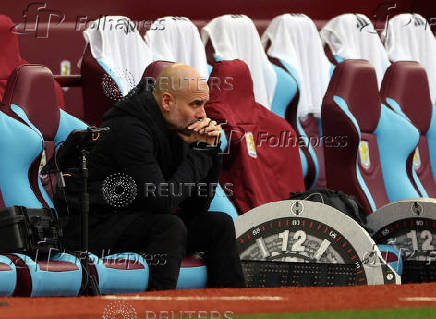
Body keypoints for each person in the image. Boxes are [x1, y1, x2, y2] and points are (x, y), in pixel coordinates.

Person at [54, 63, 245, 290]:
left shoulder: (177, 125)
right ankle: (157, 308)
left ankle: (233, 306)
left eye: (204, 104)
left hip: (141, 220)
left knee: (219, 224)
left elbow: (196, 208)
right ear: (167, 102)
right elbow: (162, 201)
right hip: (97, 227)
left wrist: (211, 154)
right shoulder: (129, 129)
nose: (203, 114)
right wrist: (201, 153)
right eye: (195, 104)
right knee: (169, 226)